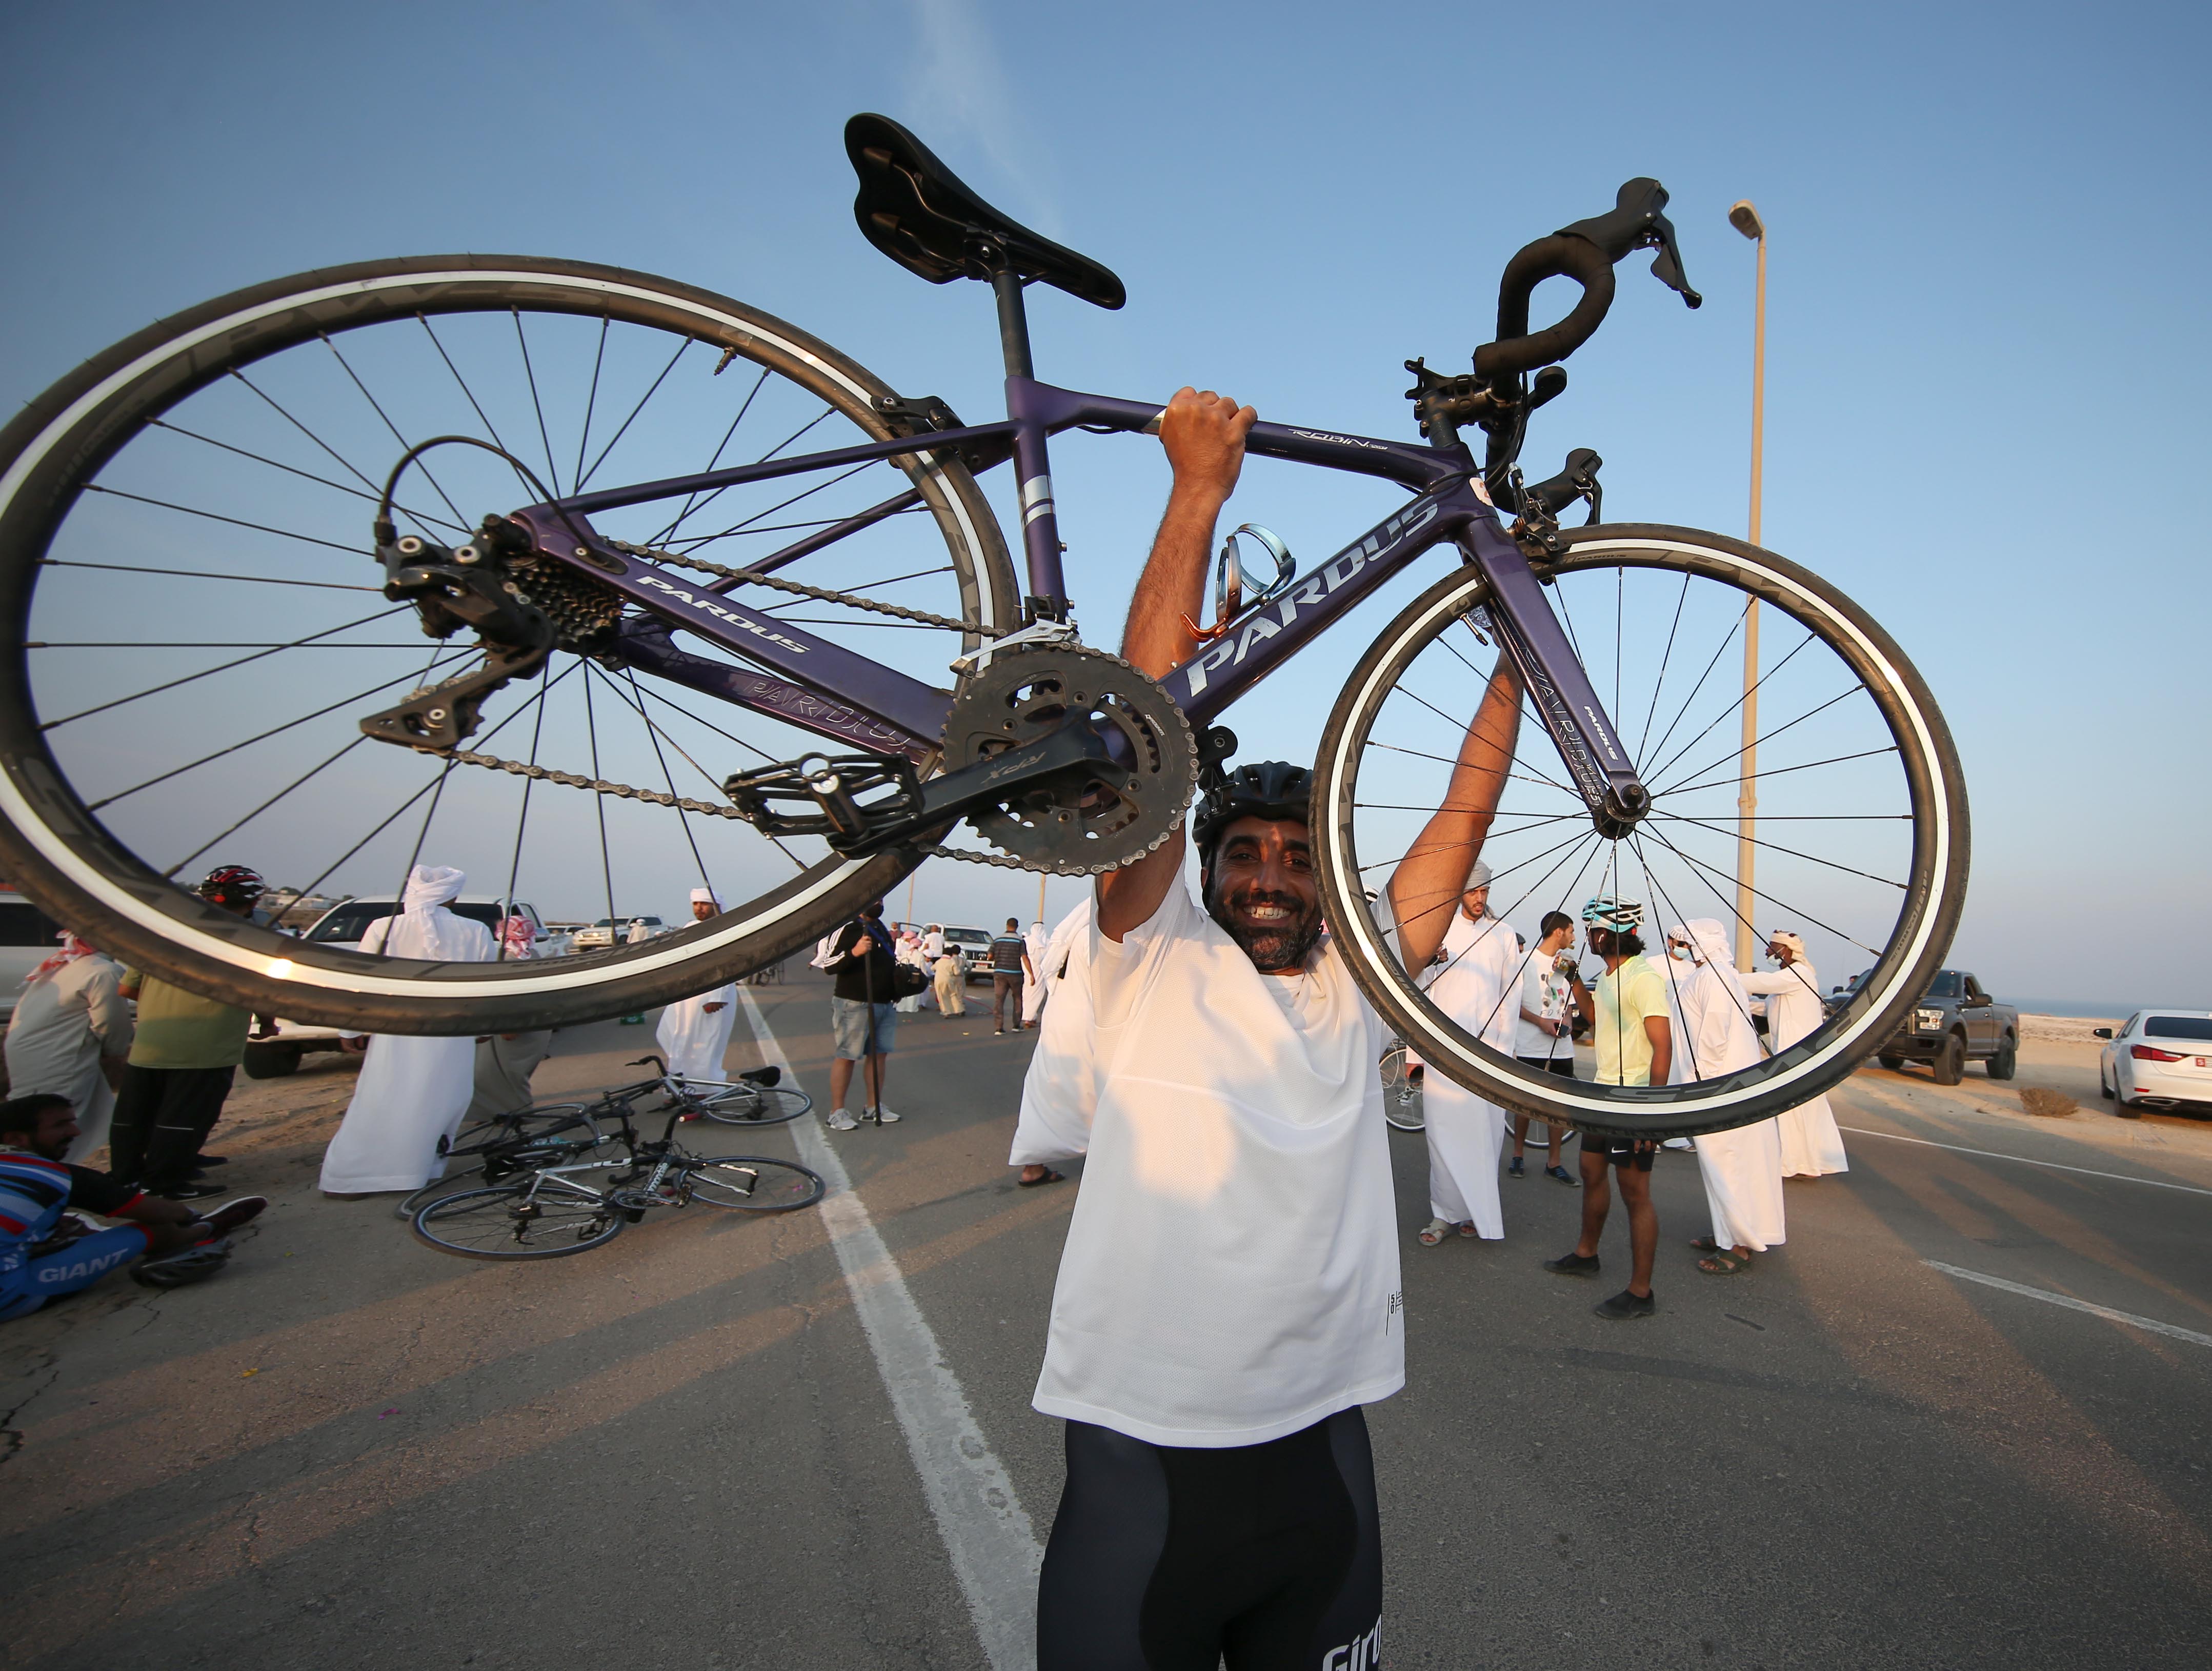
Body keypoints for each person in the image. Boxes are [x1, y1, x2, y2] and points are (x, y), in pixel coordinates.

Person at [1030, 386, 1522, 1668]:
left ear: (1327, 881)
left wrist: (1519, 648)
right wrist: (1196, 493)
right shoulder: (1150, 956)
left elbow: (1456, 830)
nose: (1264, 873)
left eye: (1295, 857)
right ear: (1201, 868)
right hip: (1140, 1472)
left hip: (1323, 1468)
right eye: (1240, 851)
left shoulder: (1358, 989)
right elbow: (1140, 737)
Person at [2, 1092, 265, 1317]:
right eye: (61, 1125)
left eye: (72, 1122)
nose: (75, 1132)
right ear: (16, 1139)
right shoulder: (59, 1176)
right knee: (155, 1230)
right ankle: (208, 1227)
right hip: (12, 1294)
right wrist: (188, 1214)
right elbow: (158, 1211)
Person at [319, 867, 496, 1196]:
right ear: (454, 896)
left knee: (384, 1094)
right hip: (452, 1033)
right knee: (442, 1098)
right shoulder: (476, 930)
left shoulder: (384, 928)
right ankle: (421, 1170)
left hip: (395, 1030)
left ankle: (359, 1175)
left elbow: (361, 983)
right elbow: (485, 985)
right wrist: (486, 1026)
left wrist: (349, 1029)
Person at [108, 864, 277, 1200]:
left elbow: (127, 990)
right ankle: (165, 1182)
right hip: (207, 1045)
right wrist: (267, 1023)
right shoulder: (250, 941)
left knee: (136, 1114)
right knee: (187, 1114)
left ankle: (125, 1176)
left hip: (152, 1041)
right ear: (253, 903)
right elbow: (263, 993)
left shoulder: (161, 933)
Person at [1546, 897, 1670, 1321]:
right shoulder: (1611, 975)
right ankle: (1587, 1253)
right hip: (1602, 1093)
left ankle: (1641, 1291)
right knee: (1591, 1172)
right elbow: (1596, 1017)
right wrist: (1576, 978)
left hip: (1633, 1099)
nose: (1591, 937)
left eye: (1596, 930)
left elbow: (1663, 1046)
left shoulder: (1644, 977)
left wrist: (1652, 1113)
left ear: (1618, 932)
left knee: (1636, 1194)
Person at [1663, 920, 1785, 1274]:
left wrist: (1704, 1085)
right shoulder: (1716, 974)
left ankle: (1740, 1244)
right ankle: (1727, 1232)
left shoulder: (1714, 977)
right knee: (1723, 1163)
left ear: (1700, 943)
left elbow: (1714, 1035)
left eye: (1683, 942)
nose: (1679, 947)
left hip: (1718, 1087)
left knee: (1729, 1163)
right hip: (1718, 1085)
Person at [1413, 864, 1518, 1247]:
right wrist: (1416, 1053)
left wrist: (1502, 1057)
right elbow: (1419, 993)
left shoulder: (1503, 935)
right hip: (1443, 1053)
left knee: (1486, 1136)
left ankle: (1477, 1213)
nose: (1480, 899)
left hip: (1489, 1057)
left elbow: (1511, 997)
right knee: (1442, 1136)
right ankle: (1443, 1214)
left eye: (1485, 892)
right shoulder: (1437, 930)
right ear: (1459, 890)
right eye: (1474, 892)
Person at [6, 930, 133, 1164]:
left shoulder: (64, 966)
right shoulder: (104, 972)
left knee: (30, 1119)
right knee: (57, 1125)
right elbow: (111, 1023)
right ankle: (47, 1177)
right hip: (58, 1056)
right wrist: (115, 1051)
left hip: (28, 1053)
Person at [1740, 930, 1851, 1177]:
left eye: (1772, 947)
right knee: (1802, 1108)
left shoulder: (1797, 974)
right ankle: (1811, 1162)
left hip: (1798, 1054)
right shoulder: (1788, 978)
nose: (1768, 952)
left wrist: (1721, 977)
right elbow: (1766, 1007)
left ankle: (1796, 1163)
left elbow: (1760, 982)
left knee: (1794, 1108)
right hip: (1792, 1053)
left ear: (1786, 950)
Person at [1008, 896, 1095, 1189]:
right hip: (1090, 1024)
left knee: (1045, 1092)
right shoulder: (1100, 936)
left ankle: (1032, 1167)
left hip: (1058, 1022)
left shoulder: (1069, 936)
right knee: (1100, 1095)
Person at [1509, 910, 1580, 1184]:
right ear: (1558, 931)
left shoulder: (1566, 964)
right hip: (1530, 1046)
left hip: (1562, 1048)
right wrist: (1540, 1022)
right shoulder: (1526, 961)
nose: (1574, 937)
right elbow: (1514, 1004)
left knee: (1559, 1108)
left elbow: (1568, 1003)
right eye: (1571, 931)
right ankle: (1518, 1156)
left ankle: (1555, 1162)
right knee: (1525, 1104)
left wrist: (1568, 1025)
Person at [465, 912, 556, 1123]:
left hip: (516, 1026)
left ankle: (516, 1114)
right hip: (527, 1025)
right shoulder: (526, 956)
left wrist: (510, 1025)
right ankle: (492, 1112)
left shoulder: (514, 960)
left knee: (508, 1073)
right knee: (490, 1072)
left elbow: (520, 997)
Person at [825, 899, 900, 1129]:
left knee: (879, 1055)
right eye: (875, 899)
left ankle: (873, 1106)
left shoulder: (880, 928)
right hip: (854, 1003)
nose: (879, 903)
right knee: (847, 1055)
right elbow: (829, 963)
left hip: (884, 1003)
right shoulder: (847, 927)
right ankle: (836, 1112)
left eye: (882, 899)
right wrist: (855, 952)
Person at [655, 890, 737, 1082]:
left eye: (704, 904)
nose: (699, 908)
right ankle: (680, 1084)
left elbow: (728, 961)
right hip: (687, 994)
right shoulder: (691, 927)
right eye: (695, 904)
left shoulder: (725, 928)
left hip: (712, 993)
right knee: (674, 1037)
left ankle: (706, 1088)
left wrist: (719, 996)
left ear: (716, 906)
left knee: (704, 1043)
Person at [988, 918, 1032, 1035]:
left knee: (999, 1000)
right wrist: (1031, 974)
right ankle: (1016, 1025)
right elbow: (1025, 958)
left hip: (999, 973)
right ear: (1017, 926)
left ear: (1007, 925)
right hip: (1015, 974)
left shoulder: (997, 940)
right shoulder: (1020, 941)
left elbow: (990, 956)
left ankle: (999, 1028)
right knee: (1017, 999)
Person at [1020, 917, 1050, 1027]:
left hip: (1029, 971)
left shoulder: (1027, 941)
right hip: (1036, 971)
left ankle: (1030, 1017)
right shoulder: (1046, 942)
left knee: (1031, 995)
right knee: (1034, 995)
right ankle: (1029, 1018)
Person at [932, 939, 967, 1018]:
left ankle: (946, 1012)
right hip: (949, 980)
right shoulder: (952, 962)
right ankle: (959, 1010)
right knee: (953, 995)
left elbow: (932, 968)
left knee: (942, 996)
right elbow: (957, 972)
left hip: (939, 981)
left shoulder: (938, 962)